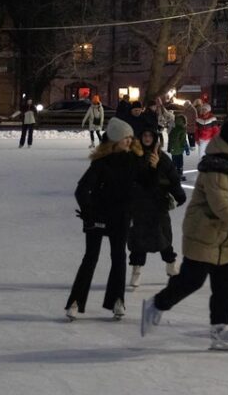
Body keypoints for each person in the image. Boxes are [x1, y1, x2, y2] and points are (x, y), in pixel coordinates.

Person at [141, 119, 228, 352]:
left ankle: (220, 330)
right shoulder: (215, 166)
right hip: (203, 232)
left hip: (227, 237)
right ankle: (157, 304)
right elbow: (219, 204)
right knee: (191, 281)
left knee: (227, 285)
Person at [66, 117, 142, 321]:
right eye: (125, 137)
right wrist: (89, 212)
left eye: (130, 137)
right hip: (98, 215)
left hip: (121, 216)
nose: (129, 140)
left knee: (118, 257)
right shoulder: (100, 163)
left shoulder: (135, 161)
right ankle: (75, 301)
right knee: (90, 258)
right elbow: (82, 190)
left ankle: (118, 300)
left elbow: (145, 185)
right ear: (115, 140)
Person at [127, 125, 187, 288]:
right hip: (139, 204)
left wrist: (179, 194)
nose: (147, 139)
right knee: (138, 239)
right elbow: (132, 179)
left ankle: (171, 264)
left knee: (163, 236)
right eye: (144, 135)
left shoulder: (162, 157)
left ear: (155, 138)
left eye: (150, 136)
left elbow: (173, 178)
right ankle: (136, 271)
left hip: (158, 203)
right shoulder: (133, 156)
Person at [168, 111, 189, 181]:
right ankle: (179, 174)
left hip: (173, 149)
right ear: (183, 122)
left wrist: (169, 148)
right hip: (179, 149)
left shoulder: (173, 129)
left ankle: (173, 174)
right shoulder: (182, 130)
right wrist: (186, 149)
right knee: (180, 162)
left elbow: (170, 139)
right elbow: (183, 141)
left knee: (174, 161)